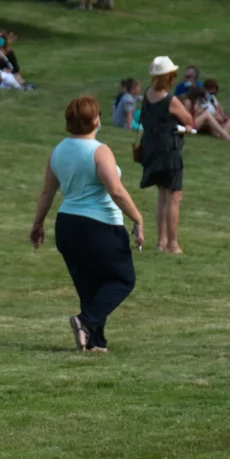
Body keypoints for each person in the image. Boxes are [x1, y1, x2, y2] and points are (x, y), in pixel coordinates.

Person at [30, 96, 143, 353]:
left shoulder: (58, 151)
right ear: (95, 120)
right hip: (100, 226)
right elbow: (115, 190)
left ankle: (95, 341)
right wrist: (137, 218)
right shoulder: (99, 151)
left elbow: (47, 193)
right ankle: (85, 321)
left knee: (90, 286)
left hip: (67, 226)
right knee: (122, 279)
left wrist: (37, 225)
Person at [139, 56, 195, 255]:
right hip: (169, 152)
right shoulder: (170, 101)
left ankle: (161, 242)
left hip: (151, 150)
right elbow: (188, 119)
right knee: (174, 197)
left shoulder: (147, 94)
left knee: (162, 196)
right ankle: (173, 244)